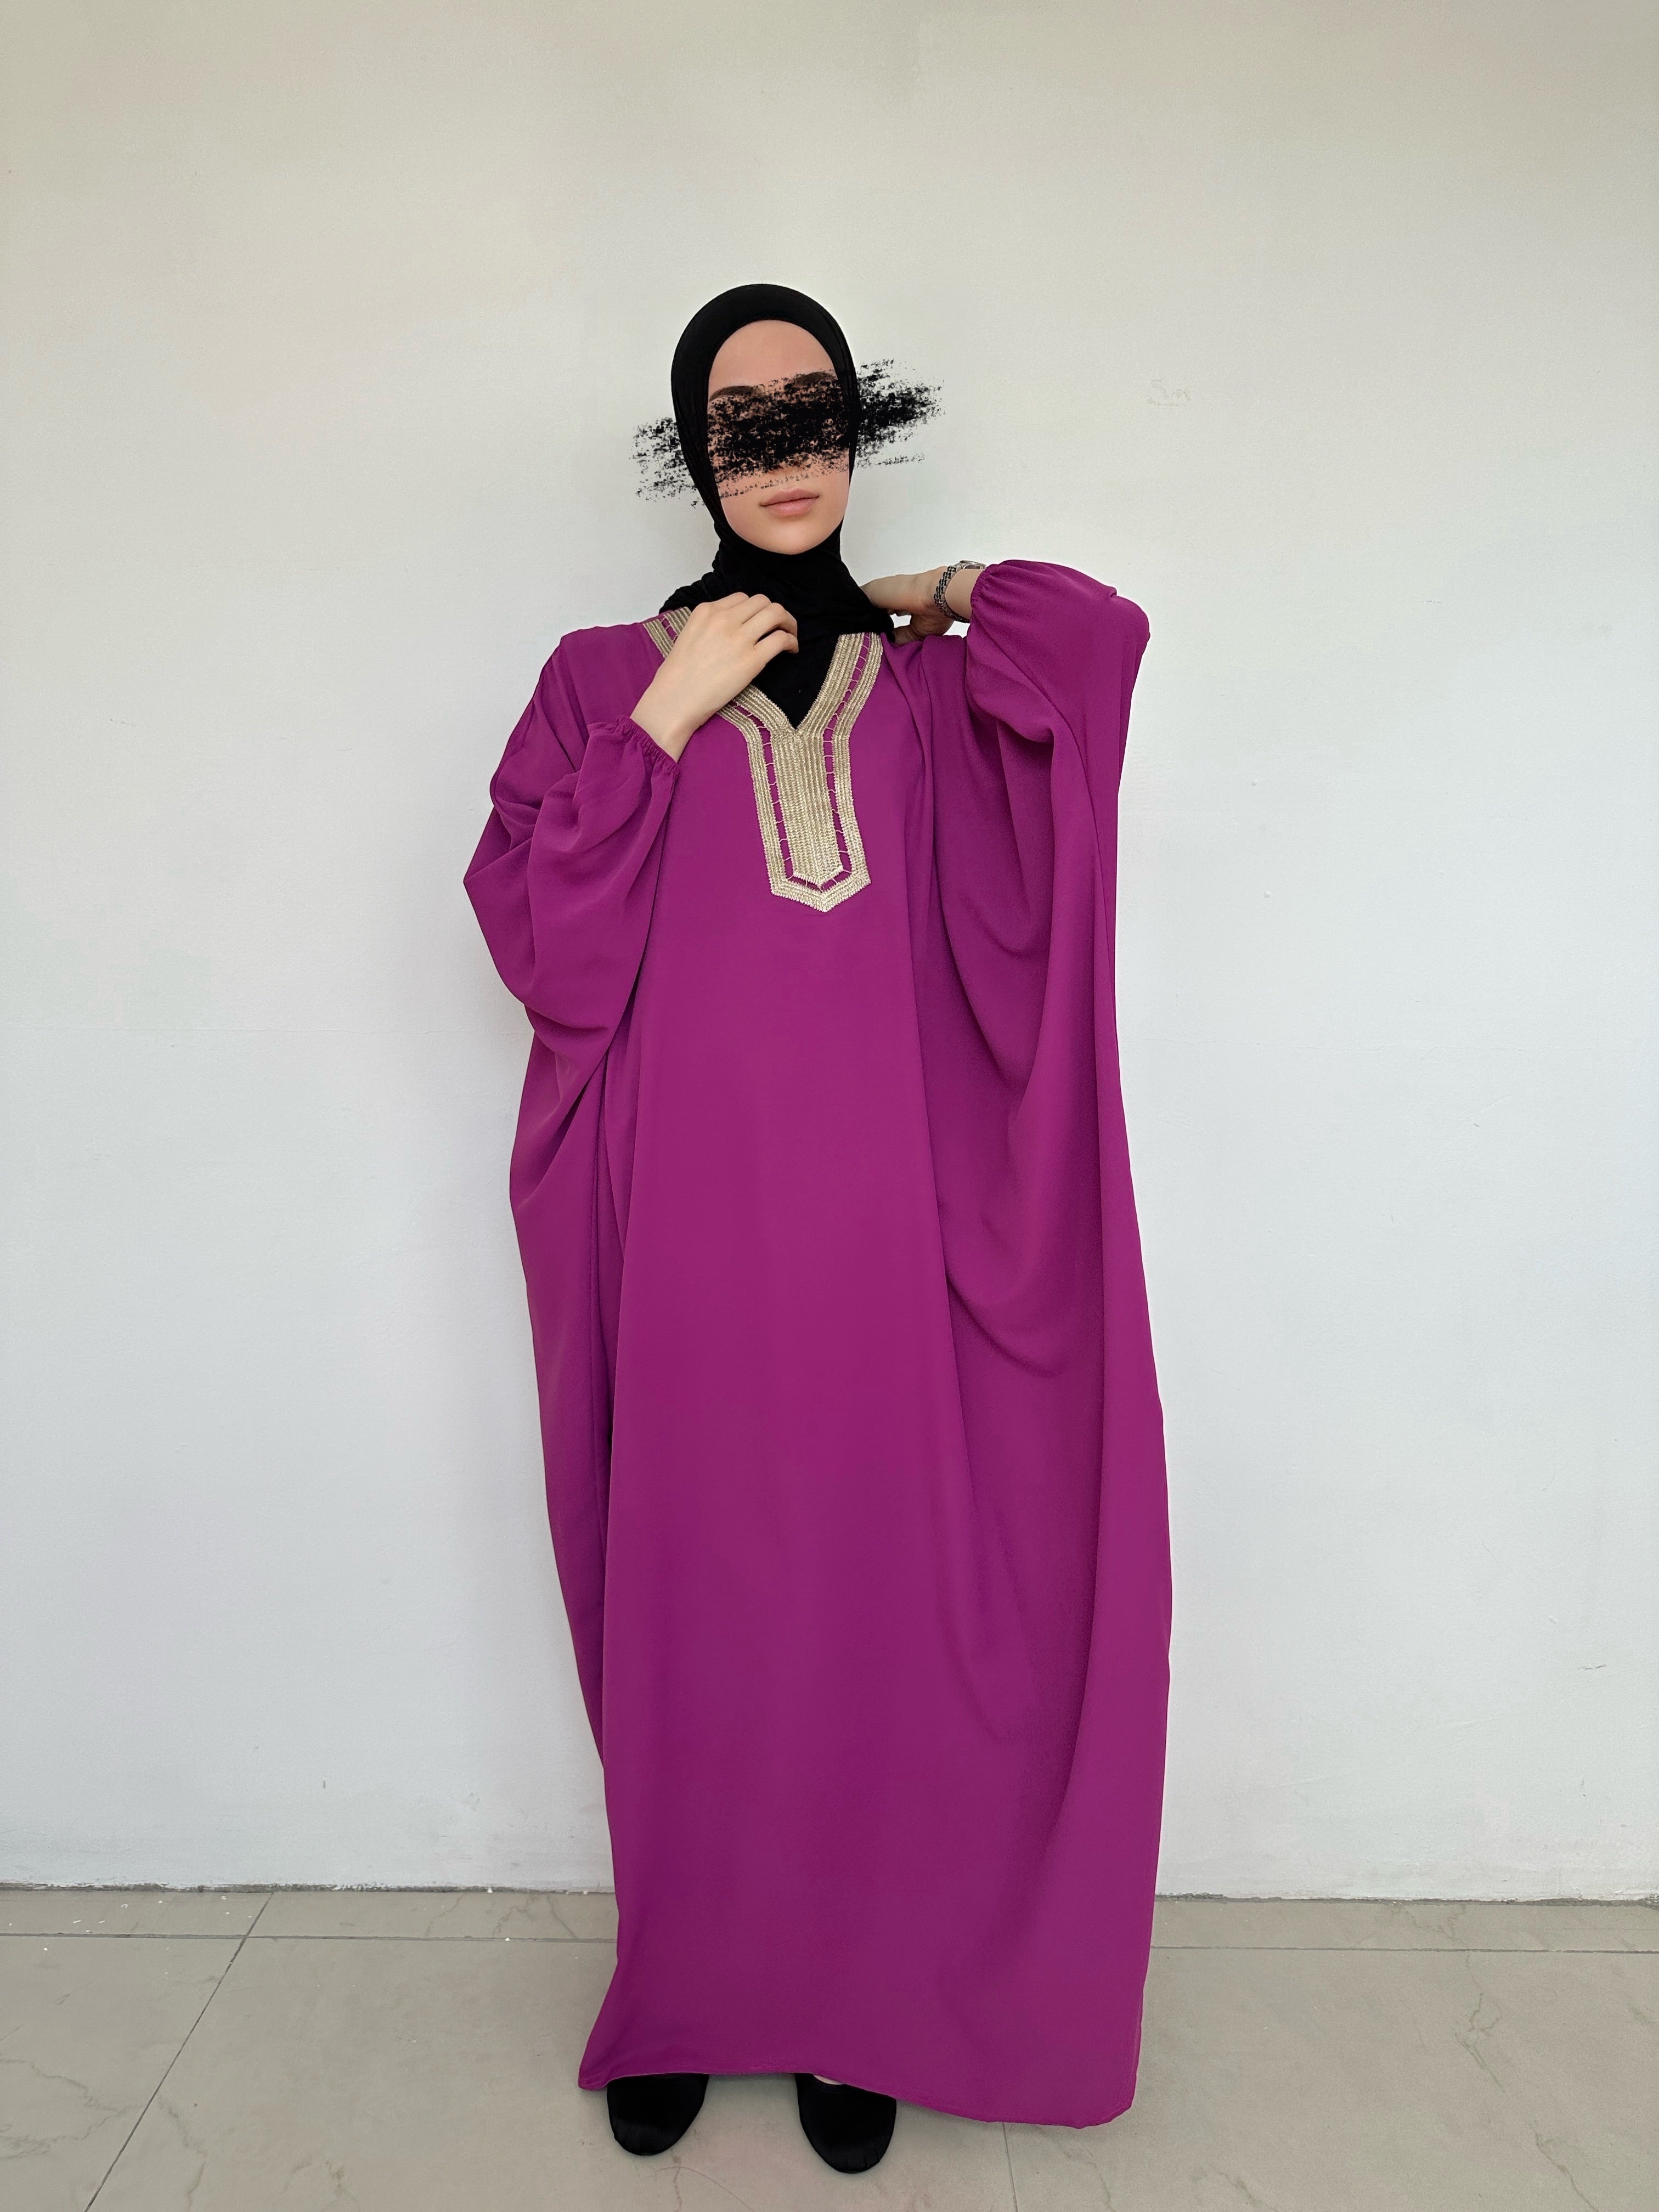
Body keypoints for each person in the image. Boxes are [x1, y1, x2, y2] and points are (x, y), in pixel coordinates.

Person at [464, 284, 1171, 2175]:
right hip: (680, 1242)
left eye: (815, 415)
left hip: (885, 1246)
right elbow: (545, 950)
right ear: (691, 452)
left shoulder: (933, 687)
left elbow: (1096, 648)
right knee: (695, 1621)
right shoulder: (596, 678)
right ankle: (695, 1989)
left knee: (870, 1624)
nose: (782, 456)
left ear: (862, 432)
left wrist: (933, 594)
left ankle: (856, 1998)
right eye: (741, 423)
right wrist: (665, 715)